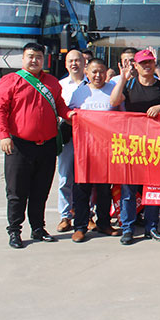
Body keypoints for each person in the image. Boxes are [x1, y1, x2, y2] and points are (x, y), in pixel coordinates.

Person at [0, 42, 72, 249]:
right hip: (19, 146)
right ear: (23, 58)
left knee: (41, 190)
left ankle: (38, 228)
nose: (34, 60)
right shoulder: (11, 80)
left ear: (44, 59)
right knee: (16, 192)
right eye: (30, 56)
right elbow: (0, 110)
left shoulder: (52, 82)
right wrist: (3, 136)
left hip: (47, 146)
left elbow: (60, 106)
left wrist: (71, 115)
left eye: (38, 57)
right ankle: (14, 231)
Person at [110, 48, 160, 245]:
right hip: (132, 145)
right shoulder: (129, 85)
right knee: (128, 190)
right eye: (143, 63)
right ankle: (127, 228)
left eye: (150, 62)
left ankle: (152, 227)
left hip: (156, 146)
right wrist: (122, 79)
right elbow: (114, 101)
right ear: (136, 66)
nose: (147, 66)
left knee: (153, 189)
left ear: (155, 64)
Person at [66, 58, 119, 242]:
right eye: (94, 72)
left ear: (107, 72)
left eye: (101, 71)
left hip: (106, 150)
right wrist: (73, 118)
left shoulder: (113, 90)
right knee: (82, 189)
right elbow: (69, 116)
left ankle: (104, 223)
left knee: (104, 189)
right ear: (86, 73)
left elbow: (123, 116)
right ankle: (80, 226)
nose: (98, 75)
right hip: (84, 149)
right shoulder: (80, 92)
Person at [55, 49, 87, 233]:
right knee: (65, 177)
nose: (74, 64)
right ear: (66, 64)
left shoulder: (93, 83)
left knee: (87, 178)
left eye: (77, 60)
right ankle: (65, 216)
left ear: (84, 62)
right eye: (71, 61)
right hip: (68, 137)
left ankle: (88, 214)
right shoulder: (59, 86)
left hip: (89, 138)